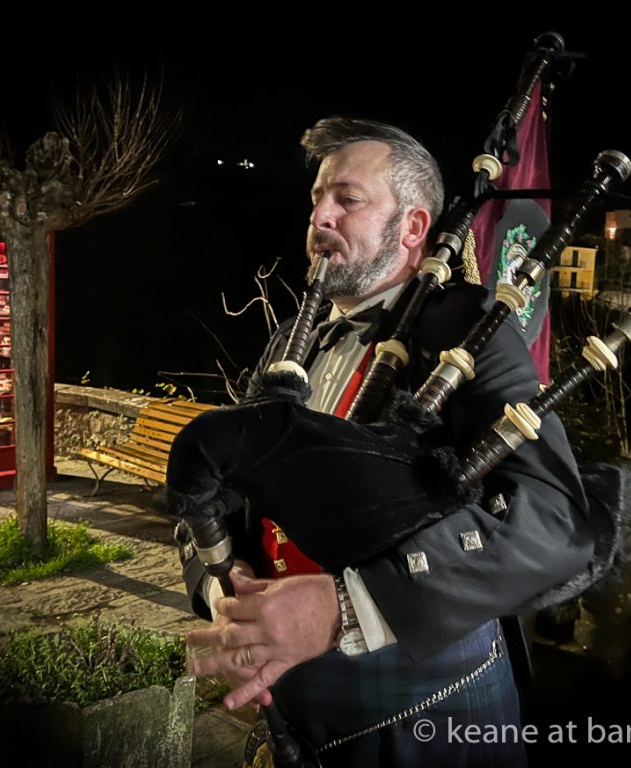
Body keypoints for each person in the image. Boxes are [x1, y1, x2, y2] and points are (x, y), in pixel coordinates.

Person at [178, 117, 596, 767]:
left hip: (427, 706)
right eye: (317, 197)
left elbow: (556, 524)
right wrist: (222, 585)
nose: (319, 215)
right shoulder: (295, 338)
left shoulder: (468, 326)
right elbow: (228, 481)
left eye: (347, 199)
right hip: (295, 699)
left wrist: (346, 608)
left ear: (412, 229)